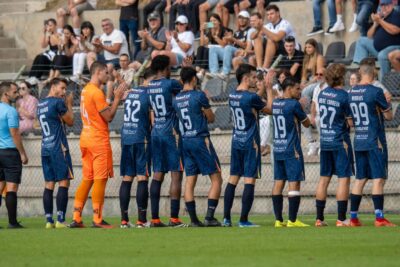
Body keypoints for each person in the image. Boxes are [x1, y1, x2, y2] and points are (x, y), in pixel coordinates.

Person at [69, 62, 126, 228]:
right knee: (100, 179)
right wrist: (116, 99)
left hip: (85, 138)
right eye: (106, 73)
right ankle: (97, 219)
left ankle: (76, 217)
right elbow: (108, 117)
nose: (107, 76)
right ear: (99, 72)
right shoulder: (96, 92)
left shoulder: (85, 90)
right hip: (98, 140)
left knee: (87, 179)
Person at [222, 64, 272, 227]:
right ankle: (243, 220)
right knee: (249, 180)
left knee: (233, 179)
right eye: (253, 77)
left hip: (237, 140)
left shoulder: (232, 95)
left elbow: (252, 102)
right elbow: (269, 109)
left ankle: (226, 219)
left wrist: (261, 89)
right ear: (245, 78)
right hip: (251, 144)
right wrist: (269, 89)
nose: (255, 80)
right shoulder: (251, 97)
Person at [348, 59, 396, 227]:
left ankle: (353, 218)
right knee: (378, 178)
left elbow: (351, 122)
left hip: (359, 139)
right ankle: (379, 218)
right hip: (375, 140)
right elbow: (389, 116)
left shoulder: (351, 92)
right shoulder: (376, 92)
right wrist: (387, 102)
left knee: (360, 178)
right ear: (373, 73)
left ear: (360, 74)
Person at [173, 66, 222, 227]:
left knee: (190, 180)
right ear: (194, 79)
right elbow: (211, 118)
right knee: (216, 178)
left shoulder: (176, 99)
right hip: (200, 139)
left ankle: (194, 220)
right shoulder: (199, 95)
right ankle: (209, 217)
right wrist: (203, 111)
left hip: (185, 140)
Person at [266, 76, 311, 227]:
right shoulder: (294, 104)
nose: (300, 91)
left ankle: (278, 220)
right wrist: (302, 108)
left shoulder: (277, 103)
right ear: (289, 88)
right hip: (292, 150)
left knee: (278, 182)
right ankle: (292, 220)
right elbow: (307, 124)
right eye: (297, 88)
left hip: (278, 148)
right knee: (294, 182)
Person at [146, 55, 184, 227]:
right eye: (170, 67)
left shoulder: (149, 86)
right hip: (171, 132)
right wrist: (185, 69)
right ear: (164, 68)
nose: (171, 70)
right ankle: (174, 218)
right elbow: (187, 87)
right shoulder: (170, 84)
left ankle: (154, 218)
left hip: (156, 132)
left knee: (158, 174)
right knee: (176, 174)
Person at [314, 64, 354, 227]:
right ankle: (341, 218)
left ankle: (319, 218)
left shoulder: (322, 94)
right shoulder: (344, 96)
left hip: (325, 140)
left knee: (324, 179)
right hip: (340, 141)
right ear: (341, 77)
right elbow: (350, 122)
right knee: (344, 179)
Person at [119, 68, 155, 228]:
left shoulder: (131, 93)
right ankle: (141, 220)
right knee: (142, 177)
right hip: (141, 139)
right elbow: (152, 121)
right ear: (151, 79)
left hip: (126, 137)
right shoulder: (149, 94)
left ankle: (124, 220)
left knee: (127, 178)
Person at [37, 78, 74, 229]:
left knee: (49, 184)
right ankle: (60, 219)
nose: (64, 92)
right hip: (58, 147)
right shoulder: (58, 102)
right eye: (62, 88)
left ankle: (48, 221)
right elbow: (70, 121)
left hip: (45, 146)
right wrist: (69, 104)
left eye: (65, 89)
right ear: (53, 87)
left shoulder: (40, 104)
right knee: (64, 181)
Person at [0, 82, 29, 228]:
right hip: (10, 153)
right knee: (11, 188)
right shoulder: (10, 111)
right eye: (14, 92)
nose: (17, 94)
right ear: (6, 94)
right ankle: (12, 222)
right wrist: (22, 153)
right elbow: (15, 133)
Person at [352, 0, 400, 79]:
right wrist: (375, 24)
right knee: (361, 40)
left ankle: (385, 83)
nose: (384, 7)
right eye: (382, 5)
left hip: (394, 47)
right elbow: (369, 36)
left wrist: (380, 21)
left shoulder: (395, 14)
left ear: (391, 5)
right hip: (379, 48)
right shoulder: (382, 18)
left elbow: (395, 30)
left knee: (382, 55)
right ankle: (362, 73)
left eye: (386, 5)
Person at [253, 5, 298, 71]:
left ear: (278, 13)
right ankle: (260, 68)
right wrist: (257, 28)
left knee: (271, 40)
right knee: (257, 38)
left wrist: (262, 27)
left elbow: (277, 38)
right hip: (274, 50)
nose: (269, 16)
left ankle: (265, 68)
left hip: (288, 49)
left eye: (271, 14)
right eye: (268, 15)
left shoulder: (285, 23)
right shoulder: (268, 25)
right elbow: (252, 37)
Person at [208, 10, 251, 80]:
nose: (241, 20)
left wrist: (232, 39)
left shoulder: (250, 30)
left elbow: (245, 46)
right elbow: (230, 45)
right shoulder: (237, 32)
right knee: (213, 49)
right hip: (233, 52)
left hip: (243, 53)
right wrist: (230, 40)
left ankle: (225, 72)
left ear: (248, 20)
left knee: (228, 47)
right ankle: (214, 72)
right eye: (240, 18)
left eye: (244, 18)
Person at [196, 13, 228, 79]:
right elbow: (202, 44)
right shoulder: (210, 31)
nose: (213, 22)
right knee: (200, 48)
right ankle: (199, 68)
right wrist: (202, 31)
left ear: (219, 22)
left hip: (221, 53)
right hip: (212, 54)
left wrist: (215, 37)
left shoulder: (225, 30)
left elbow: (224, 45)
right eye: (211, 21)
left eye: (215, 20)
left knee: (208, 49)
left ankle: (202, 70)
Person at [27, 18, 59, 84]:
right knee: (38, 57)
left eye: (51, 25)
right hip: (49, 56)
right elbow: (43, 45)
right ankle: (31, 77)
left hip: (56, 57)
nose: (49, 27)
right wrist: (44, 33)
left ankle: (36, 77)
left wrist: (51, 34)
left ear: (55, 25)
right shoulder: (49, 36)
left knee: (42, 58)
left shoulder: (59, 35)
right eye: (48, 26)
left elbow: (58, 43)